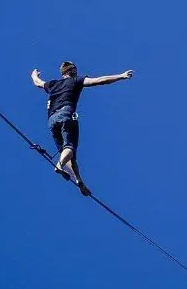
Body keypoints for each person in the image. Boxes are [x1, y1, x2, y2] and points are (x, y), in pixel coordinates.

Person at [30, 61, 134, 196]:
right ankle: (60, 165)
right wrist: (121, 76)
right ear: (72, 71)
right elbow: (100, 80)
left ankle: (79, 181)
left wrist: (33, 75)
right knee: (69, 148)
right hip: (66, 114)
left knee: (67, 153)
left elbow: (38, 82)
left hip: (51, 120)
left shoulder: (53, 84)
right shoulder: (76, 81)